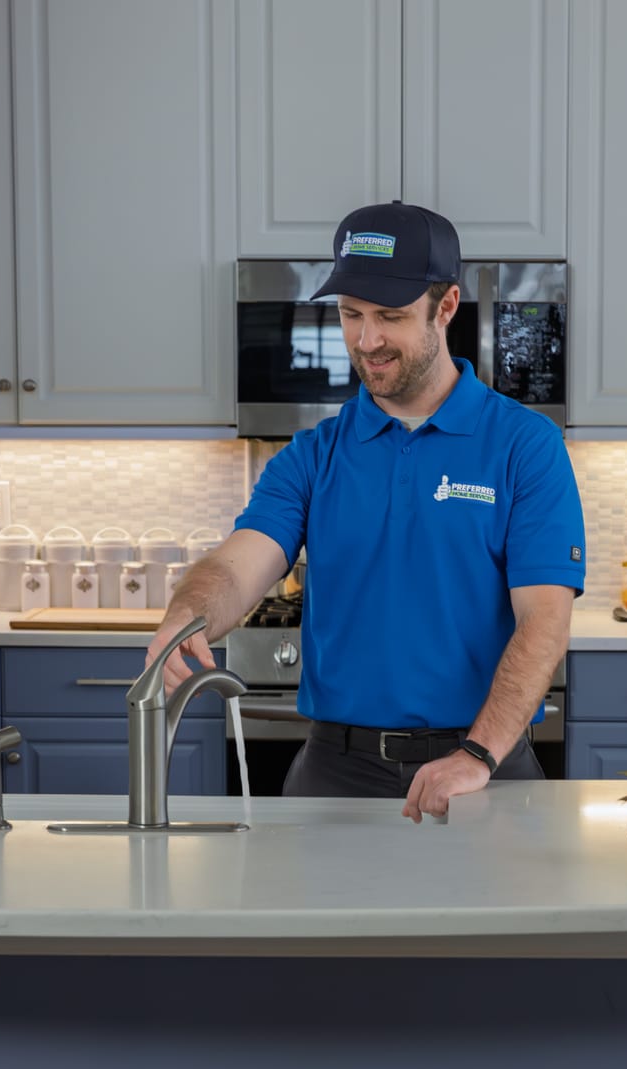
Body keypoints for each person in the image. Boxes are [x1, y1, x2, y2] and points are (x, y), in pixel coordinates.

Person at [145, 201, 586, 823]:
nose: (366, 340)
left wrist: (478, 754)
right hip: (335, 772)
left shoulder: (525, 447)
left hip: (483, 764)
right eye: (351, 314)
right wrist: (185, 617)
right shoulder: (313, 455)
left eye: (390, 316)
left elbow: (544, 621)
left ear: (448, 307)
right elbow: (238, 565)